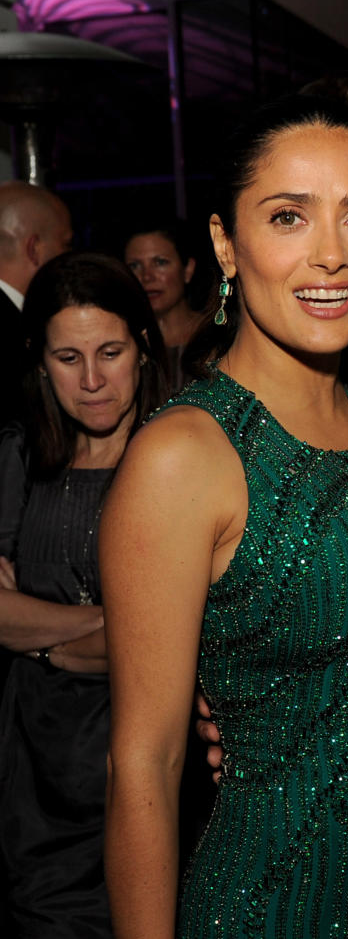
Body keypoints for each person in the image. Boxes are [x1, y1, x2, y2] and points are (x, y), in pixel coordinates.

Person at [100, 93, 348, 938]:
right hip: (278, 896)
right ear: (225, 243)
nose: (331, 256)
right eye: (289, 216)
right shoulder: (184, 454)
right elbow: (142, 764)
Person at [0, 252, 166, 937]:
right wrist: (104, 622)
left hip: (139, 776)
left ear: (144, 348)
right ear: (40, 361)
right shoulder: (18, 457)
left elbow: (164, 649)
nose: (92, 379)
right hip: (29, 783)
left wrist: (38, 637)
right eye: (68, 356)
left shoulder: (175, 458)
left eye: (110, 352)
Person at [0, 181, 74, 424]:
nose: (70, 257)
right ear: (34, 249)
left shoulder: (21, 320)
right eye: (66, 244)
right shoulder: (13, 332)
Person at [122, 221, 204, 392]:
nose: (147, 277)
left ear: (187, 269)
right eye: (134, 266)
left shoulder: (220, 336)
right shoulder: (121, 345)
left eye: (160, 262)